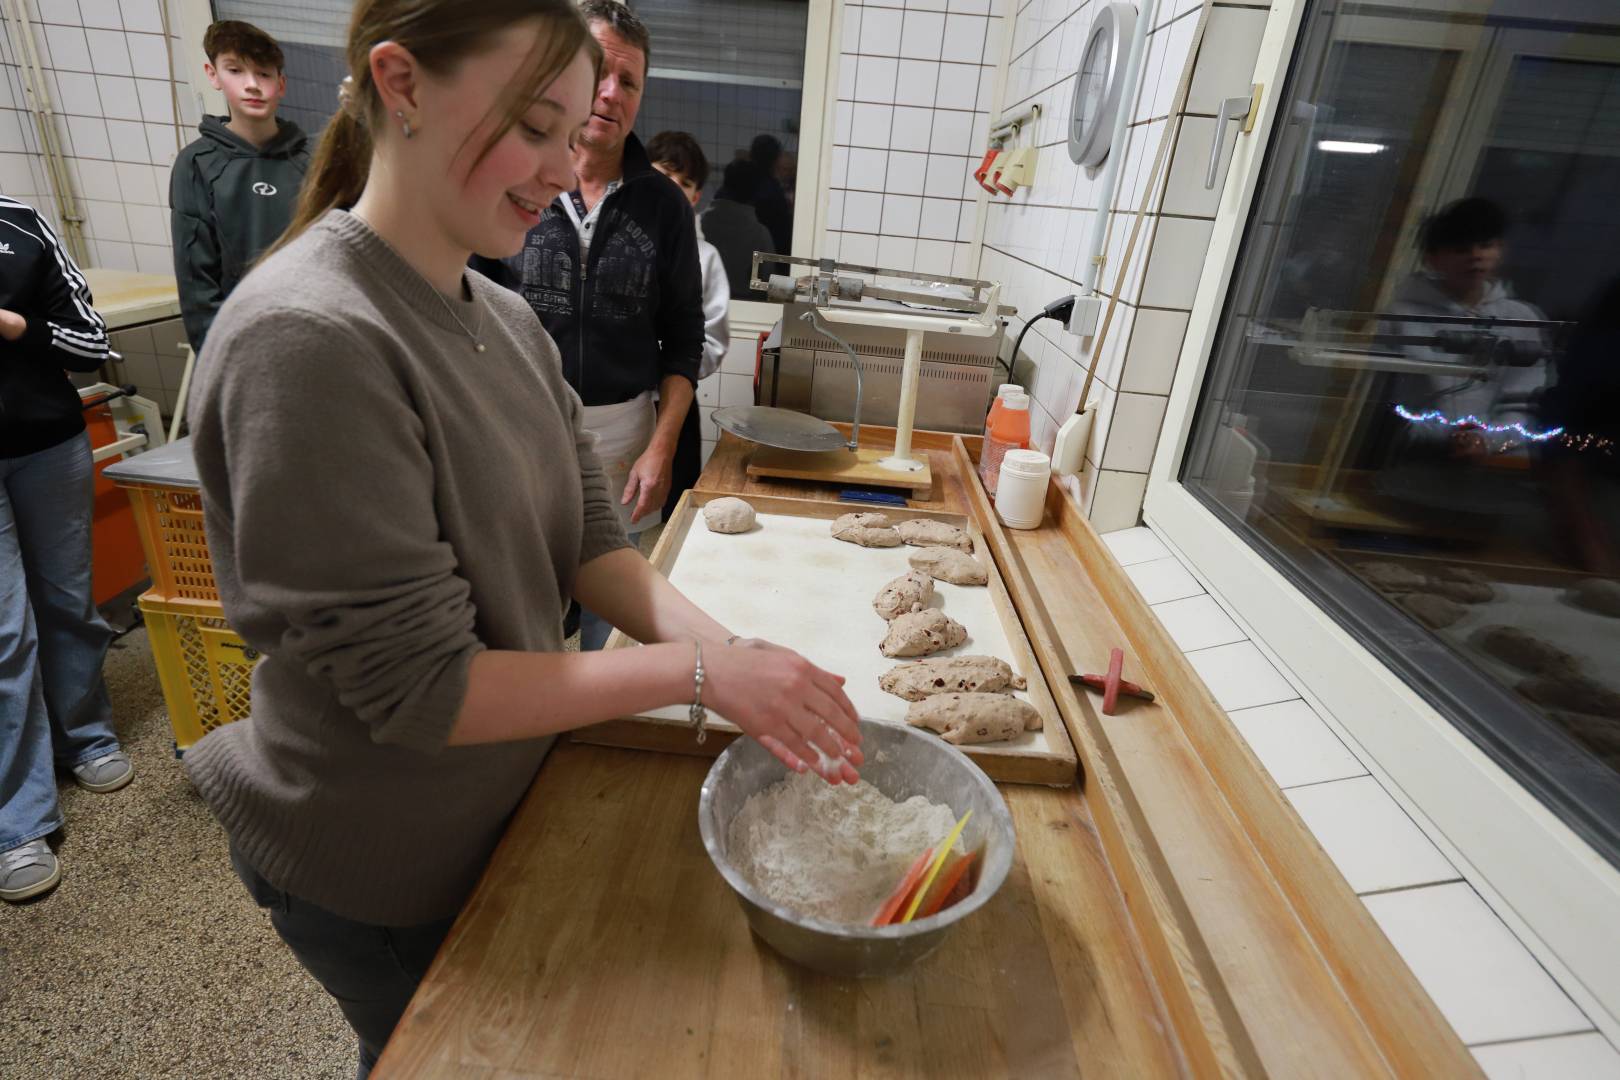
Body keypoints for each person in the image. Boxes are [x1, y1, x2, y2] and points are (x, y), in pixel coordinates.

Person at [184, 2, 860, 1074]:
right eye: (534, 125)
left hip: (500, 804)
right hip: (383, 856)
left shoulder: (499, 322)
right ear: (400, 82)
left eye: (576, 128)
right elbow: (424, 691)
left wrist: (733, 659)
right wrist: (692, 675)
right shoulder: (309, 338)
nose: (562, 163)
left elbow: (598, 549)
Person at [471, 0, 704, 652]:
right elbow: (462, 309)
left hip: (622, 440)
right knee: (522, 614)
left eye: (629, 81)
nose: (610, 92)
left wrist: (661, 448)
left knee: (614, 624)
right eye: (597, 70)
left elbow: (685, 339)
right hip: (519, 430)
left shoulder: (662, 207)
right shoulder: (513, 177)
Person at [0, 196, 132, 904]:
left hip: (49, 444)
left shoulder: (18, 223)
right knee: (2, 634)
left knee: (66, 601)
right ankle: (17, 819)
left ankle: (84, 736)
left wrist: (15, 324)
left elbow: (90, 341)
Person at [169, 20, 311, 353]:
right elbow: (196, 281)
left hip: (319, 333)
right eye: (235, 70)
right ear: (213, 74)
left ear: (282, 83)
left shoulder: (316, 160)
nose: (252, 85)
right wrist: (220, 356)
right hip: (243, 342)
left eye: (264, 74)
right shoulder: (197, 164)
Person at [1386, 197, 1551, 460]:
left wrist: (1488, 441)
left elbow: (1525, 400)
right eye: (1461, 249)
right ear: (1432, 258)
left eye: (1485, 245)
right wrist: (1442, 439)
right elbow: (1388, 402)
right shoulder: (1401, 317)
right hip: (1414, 458)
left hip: (1498, 466)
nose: (1475, 256)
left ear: (1499, 249)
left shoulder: (1521, 318)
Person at [646, 129, 729, 519]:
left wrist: (670, 371)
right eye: (664, 176)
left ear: (696, 197)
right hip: (617, 401)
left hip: (676, 402)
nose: (674, 189)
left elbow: (711, 340)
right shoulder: (618, 241)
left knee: (670, 515)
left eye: (686, 183)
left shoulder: (706, 257)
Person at [702, 159, 775, 301]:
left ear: (725, 185)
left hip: (704, 305)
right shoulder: (760, 235)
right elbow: (767, 284)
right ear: (755, 193)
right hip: (746, 309)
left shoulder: (700, 224)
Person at [748, 133, 793, 255]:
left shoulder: (742, 184)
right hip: (768, 254)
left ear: (751, 155)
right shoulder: (772, 191)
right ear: (776, 160)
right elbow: (783, 235)